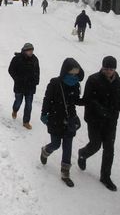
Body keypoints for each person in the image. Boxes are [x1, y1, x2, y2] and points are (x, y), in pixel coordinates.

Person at [77, 55, 120, 192]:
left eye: (111, 69)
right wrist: (99, 108)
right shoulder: (93, 79)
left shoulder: (119, 82)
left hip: (111, 121)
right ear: (102, 67)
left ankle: (105, 176)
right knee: (95, 145)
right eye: (106, 68)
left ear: (115, 69)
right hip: (95, 120)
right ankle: (83, 153)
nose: (108, 71)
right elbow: (88, 99)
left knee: (109, 149)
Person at [40, 58, 85, 187]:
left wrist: (88, 100)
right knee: (55, 144)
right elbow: (47, 99)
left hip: (70, 119)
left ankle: (65, 173)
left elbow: (75, 101)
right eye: (71, 73)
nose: (73, 75)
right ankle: (45, 151)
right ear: (65, 71)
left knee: (68, 146)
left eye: (75, 73)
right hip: (55, 118)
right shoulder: (55, 83)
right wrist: (44, 113)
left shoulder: (76, 84)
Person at [8, 43, 40, 129]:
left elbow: (37, 71)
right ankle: (15, 110)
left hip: (30, 86)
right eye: (29, 50)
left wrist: (36, 81)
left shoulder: (35, 59)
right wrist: (17, 79)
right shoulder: (17, 59)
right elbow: (11, 70)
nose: (31, 52)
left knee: (28, 105)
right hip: (20, 85)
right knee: (18, 101)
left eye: (32, 50)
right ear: (25, 50)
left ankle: (26, 122)